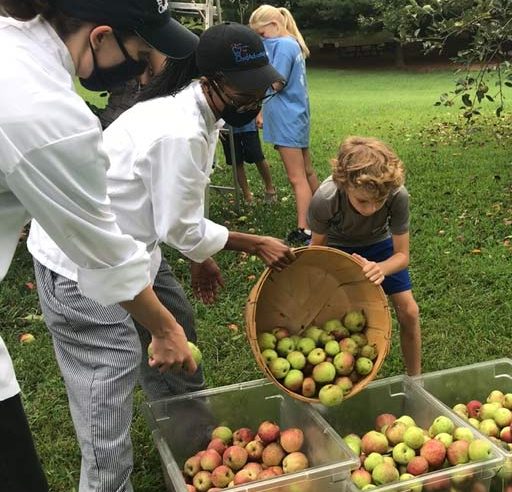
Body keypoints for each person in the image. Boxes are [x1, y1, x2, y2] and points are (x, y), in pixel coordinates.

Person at [27, 21, 296, 492]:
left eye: (260, 88)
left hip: (132, 248)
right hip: (80, 266)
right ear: (210, 80)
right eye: (245, 90)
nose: (254, 100)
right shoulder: (179, 130)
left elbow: (175, 205)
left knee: (178, 328)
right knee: (106, 393)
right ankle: (107, 482)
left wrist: (199, 255)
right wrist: (254, 243)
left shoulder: (195, 113)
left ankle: (194, 448)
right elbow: (180, 225)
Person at [0, 1, 200, 491]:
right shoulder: (44, 112)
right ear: (100, 38)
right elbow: (103, 252)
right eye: (142, 51)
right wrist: (166, 329)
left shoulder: (14, 48)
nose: (150, 67)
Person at [308, 136, 421, 376]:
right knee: (332, 316)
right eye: (362, 201)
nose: (371, 209)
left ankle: (416, 379)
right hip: (337, 248)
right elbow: (316, 252)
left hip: (380, 246)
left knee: (410, 311)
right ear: (344, 182)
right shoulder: (325, 198)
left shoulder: (397, 194)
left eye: (379, 201)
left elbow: (402, 255)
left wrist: (380, 268)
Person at [249, 5, 319, 245]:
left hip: (288, 118)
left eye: (262, 34)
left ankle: (305, 229)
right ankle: (327, 215)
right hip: (295, 115)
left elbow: (277, 82)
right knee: (307, 171)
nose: (261, 40)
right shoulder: (290, 44)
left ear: (274, 25)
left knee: (296, 177)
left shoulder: (285, 45)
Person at [220, 120, 277, 204]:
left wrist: (259, 116)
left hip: (248, 126)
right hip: (227, 128)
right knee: (236, 161)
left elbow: (257, 106)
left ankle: (270, 189)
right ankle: (247, 196)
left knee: (258, 157)